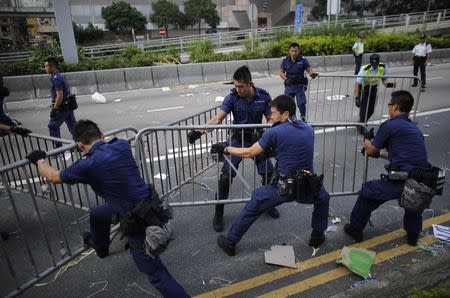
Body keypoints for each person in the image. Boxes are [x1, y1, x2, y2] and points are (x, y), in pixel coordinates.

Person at [25, 120, 189, 298]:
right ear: (101, 135)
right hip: (149, 205)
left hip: (136, 220)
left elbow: (53, 177)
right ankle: (101, 247)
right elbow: (106, 141)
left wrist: (39, 160)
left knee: (157, 275)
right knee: (98, 213)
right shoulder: (121, 145)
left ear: (79, 145)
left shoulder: (88, 165)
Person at [213, 95, 330, 256]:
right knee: (323, 198)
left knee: (256, 200)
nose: (270, 117)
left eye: (274, 113)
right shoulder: (308, 128)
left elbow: (249, 152)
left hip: (284, 188)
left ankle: (230, 241)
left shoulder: (274, 132)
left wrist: (226, 148)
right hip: (309, 186)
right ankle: (317, 236)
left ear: (286, 114)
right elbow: (290, 149)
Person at [187, 66, 278, 232]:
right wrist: (198, 132)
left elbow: (271, 118)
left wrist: (266, 127)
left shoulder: (263, 96)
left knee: (267, 173)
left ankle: (267, 204)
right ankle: (219, 211)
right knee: (225, 177)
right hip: (237, 140)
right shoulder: (233, 97)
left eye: (241, 86)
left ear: (250, 84)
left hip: (256, 140)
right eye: (236, 86)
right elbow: (218, 118)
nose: (238, 89)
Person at [344, 90, 433, 246]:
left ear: (396, 107)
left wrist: (366, 139)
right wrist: (380, 154)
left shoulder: (390, 125)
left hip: (403, 179)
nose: (388, 107)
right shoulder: (414, 128)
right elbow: (396, 154)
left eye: (389, 105)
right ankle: (413, 236)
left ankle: (355, 229)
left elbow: (371, 151)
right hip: (423, 180)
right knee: (413, 202)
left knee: (368, 192)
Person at [279, 42, 318, 121]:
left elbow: (309, 69)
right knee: (288, 103)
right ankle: (291, 117)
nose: (294, 53)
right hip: (289, 85)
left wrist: (311, 74)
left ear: (298, 51)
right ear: (289, 51)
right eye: (292, 51)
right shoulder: (285, 60)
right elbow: (281, 72)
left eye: (296, 51)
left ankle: (303, 117)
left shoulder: (303, 60)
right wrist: (286, 79)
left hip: (299, 85)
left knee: (301, 103)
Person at [354, 53, 396, 127]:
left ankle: (363, 122)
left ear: (378, 62)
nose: (374, 65)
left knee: (371, 109)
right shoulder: (364, 70)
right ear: (370, 62)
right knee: (364, 109)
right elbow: (357, 83)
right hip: (364, 88)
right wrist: (357, 98)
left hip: (374, 88)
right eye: (373, 64)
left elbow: (384, 79)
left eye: (376, 63)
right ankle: (362, 124)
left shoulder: (383, 67)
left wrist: (388, 84)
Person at [44, 57, 76, 146]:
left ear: (52, 66)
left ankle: (58, 150)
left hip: (62, 106)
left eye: (46, 66)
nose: (45, 69)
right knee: (72, 125)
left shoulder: (56, 78)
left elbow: (59, 95)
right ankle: (81, 144)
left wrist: (54, 108)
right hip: (68, 105)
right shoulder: (59, 75)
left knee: (53, 125)